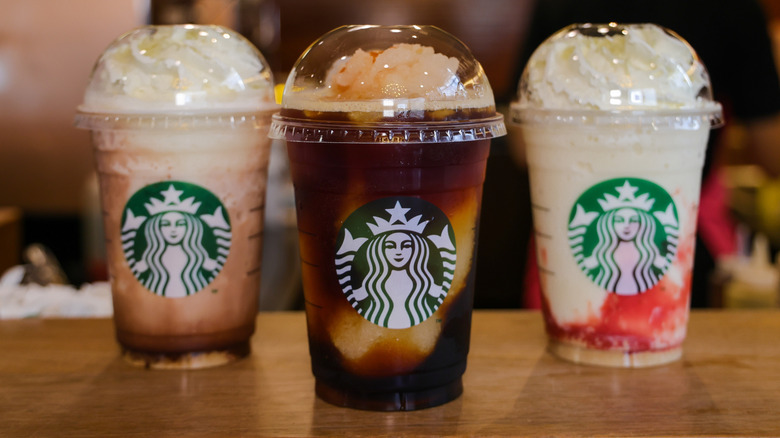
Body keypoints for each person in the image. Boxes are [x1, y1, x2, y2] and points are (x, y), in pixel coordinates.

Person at [503, 0, 780, 308]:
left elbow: (522, 145)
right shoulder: (735, 10)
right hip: (674, 234)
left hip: (571, 239)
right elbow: (771, 151)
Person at [349, 230, 445, 329]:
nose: (398, 251)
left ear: (415, 250)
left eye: (406, 246)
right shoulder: (370, 283)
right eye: (390, 246)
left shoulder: (426, 282)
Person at [133, 210, 220, 298]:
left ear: (190, 227)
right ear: (157, 229)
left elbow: (212, 266)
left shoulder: (197, 253)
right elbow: (139, 269)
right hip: (152, 300)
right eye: (166, 224)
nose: (173, 229)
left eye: (180, 224)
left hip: (201, 300)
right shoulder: (152, 255)